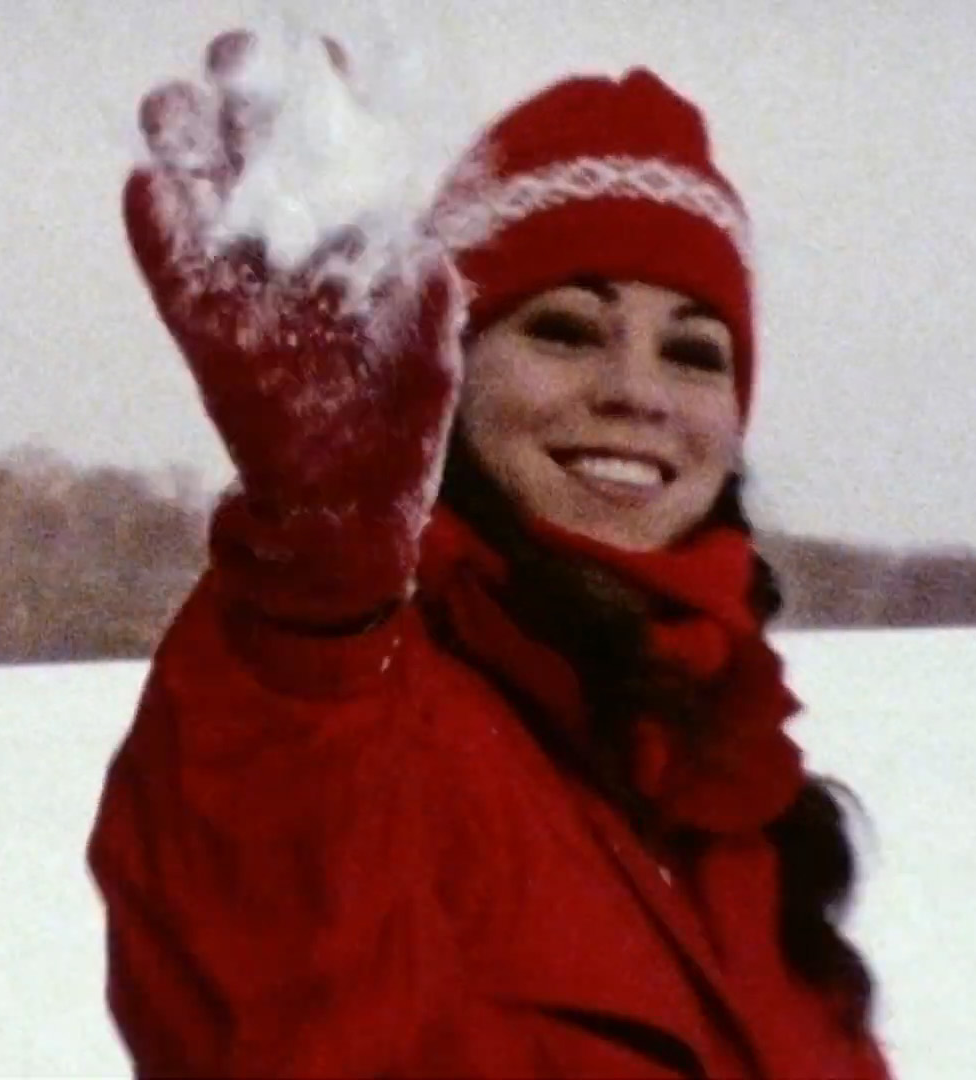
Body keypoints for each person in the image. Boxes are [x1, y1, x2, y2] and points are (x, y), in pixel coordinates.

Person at [88, 29, 893, 1080]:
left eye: (694, 351)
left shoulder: (734, 777)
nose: (638, 392)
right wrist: (320, 574)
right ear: (446, 366)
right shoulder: (337, 703)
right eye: (566, 330)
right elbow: (279, 968)